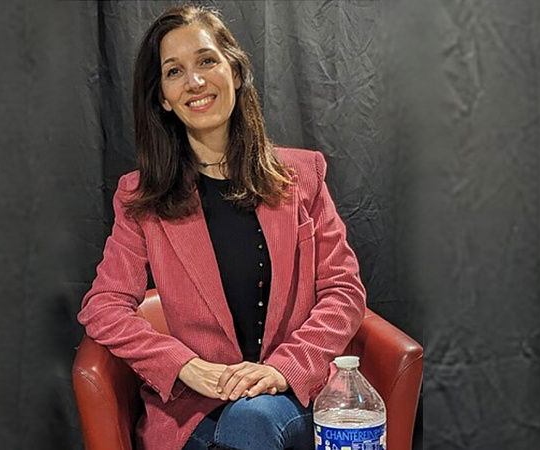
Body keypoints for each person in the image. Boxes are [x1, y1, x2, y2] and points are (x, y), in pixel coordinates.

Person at [78, 4, 367, 450]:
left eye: (207, 61)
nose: (194, 81)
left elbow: (343, 291)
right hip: (194, 411)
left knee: (252, 422)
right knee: (237, 430)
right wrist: (185, 366)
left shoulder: (303, 177)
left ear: (234, 71)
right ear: (162, 97)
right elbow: (104, 306)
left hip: (290, 396)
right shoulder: (142, 198)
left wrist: (282, 368)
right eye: (174, 71)